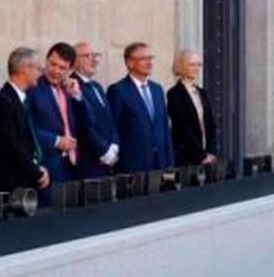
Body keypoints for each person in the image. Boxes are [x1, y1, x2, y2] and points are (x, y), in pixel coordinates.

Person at [29, 43, 94, 190]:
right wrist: (55, 141)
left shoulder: (70, 88)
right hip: (47, 165)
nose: (56, 71)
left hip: (73, 166)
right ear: (46, 61)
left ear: (70, 69)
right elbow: (26, 127)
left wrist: (78, 97)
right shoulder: (33, 87)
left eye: (62, 68)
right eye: (53, 64)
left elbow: (89, 123)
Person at [0, 48, 50, 194]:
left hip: (27, 182)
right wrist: (36, 172)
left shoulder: (23, 100)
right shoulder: (2, 101)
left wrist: (39, 168)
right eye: (38, 68)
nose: (41, 74)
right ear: (24, 69)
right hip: (11, 186)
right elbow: (10, 146)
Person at [108, 42, 173, 173]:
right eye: (143, 59)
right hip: (133, 165)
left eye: (150, 58)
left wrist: (169, 160)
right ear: (129, 63)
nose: (149, 63)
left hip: (160, 162)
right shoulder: (118, 90)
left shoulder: (157, 89)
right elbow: (113, 128)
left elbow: (165, 126)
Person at [72, 42, 120, 178]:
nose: (93, 60)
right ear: (74, 62)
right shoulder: (73, 86)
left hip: (109, 159)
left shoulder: (97, 86)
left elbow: (110, 119)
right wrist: (103, 151)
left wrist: (114, 146)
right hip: (90, 161)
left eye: (94, 55)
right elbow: (83, 125)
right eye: (86, 56)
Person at [167, 49, 218, 167]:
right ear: (182, 66)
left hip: (207, 157)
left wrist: (211, 152)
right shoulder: (174, 94)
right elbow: (183, 128)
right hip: (187, 157)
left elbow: (210, 124)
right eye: (192, 64)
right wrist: (201, 156)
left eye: (199, 64)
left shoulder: (202, 92)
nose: (196, 68)